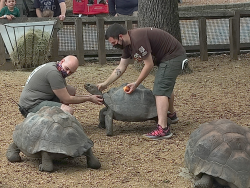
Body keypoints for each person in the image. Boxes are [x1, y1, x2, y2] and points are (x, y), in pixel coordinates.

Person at [97, 23, 187, 140]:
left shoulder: (138, 39)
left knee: (160, 90)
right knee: (164, 86)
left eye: (114, 43)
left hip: (173, 57)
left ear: (120, 36)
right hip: (167, 58)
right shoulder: (127, 46)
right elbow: (121, 67)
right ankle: (171, 115)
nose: (114, 46)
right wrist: (105, 84)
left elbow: (149, 65)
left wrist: (136, 84)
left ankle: (163, 129)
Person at [18, 55, 103, 117]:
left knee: (71, 90)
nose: (67, 73)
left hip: (41, 98)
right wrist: (89, 98)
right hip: (31, 106)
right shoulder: (53, 73)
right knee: (68, 111)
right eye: (67, 68)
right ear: (62, 61)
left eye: (71, 72)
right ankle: (53, 124)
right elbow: (67, 99)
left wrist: (89, 97)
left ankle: (56, 117)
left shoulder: (56, 67)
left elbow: (67, 94)